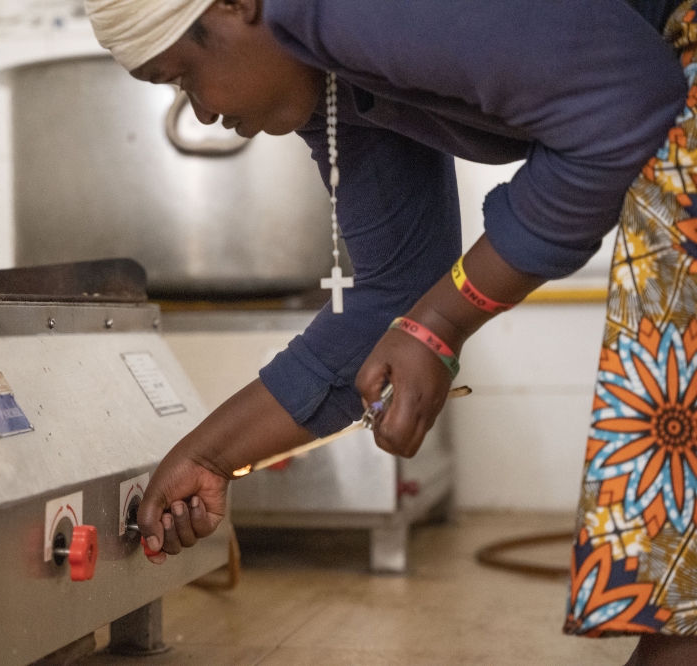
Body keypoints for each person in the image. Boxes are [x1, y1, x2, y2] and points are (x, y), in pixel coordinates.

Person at [83, 0, 697, 662]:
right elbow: (397, 294)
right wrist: (209, 455)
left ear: (237, 5)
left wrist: (443, 320)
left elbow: (624, 105)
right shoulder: (338, 84)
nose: (202, 112)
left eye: (183, 75)